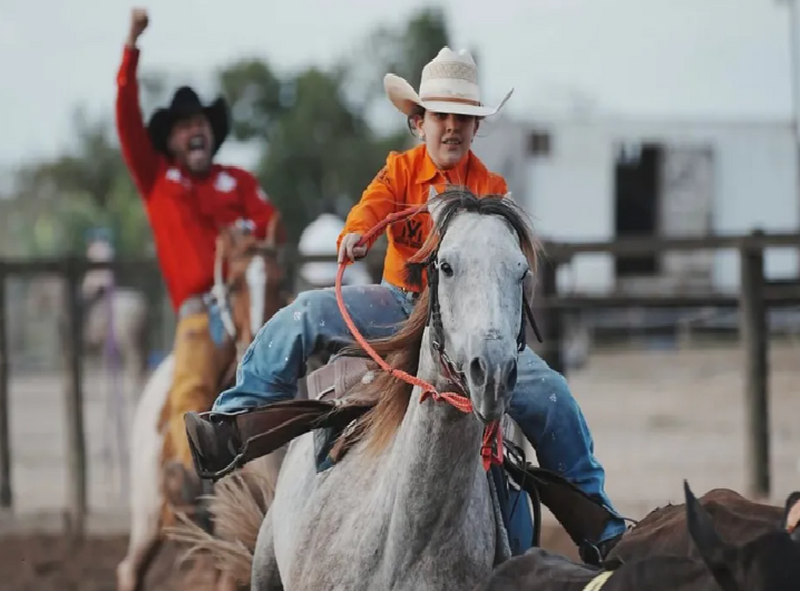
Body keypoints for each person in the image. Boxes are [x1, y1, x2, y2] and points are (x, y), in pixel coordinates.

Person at [186, 47, 627, 560]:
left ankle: (601, 531)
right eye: (442, 115)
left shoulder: (491, 189)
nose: (452, 128)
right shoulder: (399, 172)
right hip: (401, 306)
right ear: (419, 122)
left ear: (475, 128)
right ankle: (236, 421)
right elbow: (368, 208)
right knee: (305, 315)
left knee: (552, 398)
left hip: (468, 323)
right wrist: (354, 235)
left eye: (464, 118)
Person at [115, 7, 286, 514]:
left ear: (213, 134)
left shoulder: (239, 181)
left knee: (297, 357)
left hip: (250, 300)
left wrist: (248, 241)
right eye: (185, 126)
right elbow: (126, 119)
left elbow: (269, 225)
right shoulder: (158, 180)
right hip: (201, 310)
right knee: (192, 374)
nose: (195, 132)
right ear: (169, 139)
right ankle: (185, 472)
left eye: (202, 125)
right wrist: (131, 47)